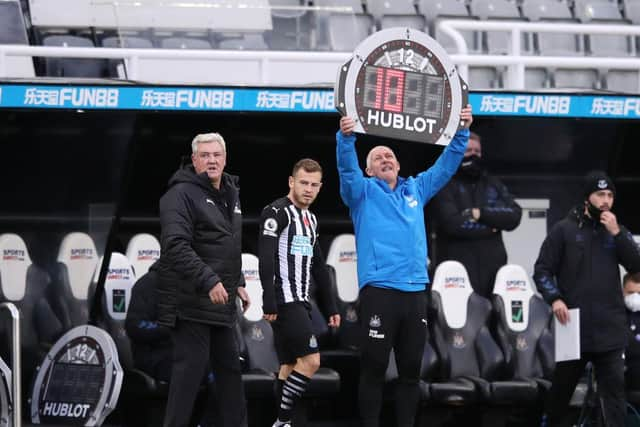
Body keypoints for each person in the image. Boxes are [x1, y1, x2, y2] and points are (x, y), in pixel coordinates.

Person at [336, 105, 474, 427]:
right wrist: (346, 140)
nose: (386, 159)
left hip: (415, 293)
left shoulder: (417, 189)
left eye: (390, 156)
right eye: (378, 158)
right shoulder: (362, 193)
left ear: (398, 165)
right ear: (368, 170)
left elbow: (446, 165)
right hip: (380, 291)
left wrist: (462, 130)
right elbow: (346, 171)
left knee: (412, 370)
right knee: (374, 367)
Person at [155, 132, 250, 427]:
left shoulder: (230, 190)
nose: (212, 160)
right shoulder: (179, 195)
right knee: (189, 376)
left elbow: (228, 244)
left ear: (225, 158)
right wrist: (209, 280)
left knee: (230, 373)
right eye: (205, 155)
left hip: (220, 302)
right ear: (194, 160)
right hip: (189, 301)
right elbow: (176, 246)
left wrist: (239, 281)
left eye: (216, 155)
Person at [533, 170, 640, 427]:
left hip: (610, 330)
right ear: (587, 198)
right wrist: (555, 299)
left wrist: (618, 233)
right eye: (600, 194)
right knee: (560, 394)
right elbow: (542, 270)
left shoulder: (616, 232)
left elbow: (636, 266)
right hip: (574, 325)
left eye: (610, 195)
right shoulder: (564, 230)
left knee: (614, 397)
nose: (605, 200)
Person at [258, 158, 341, 427]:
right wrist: (269, 300)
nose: (308, 189)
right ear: (291, 182)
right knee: (312, 360)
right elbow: (266, 258)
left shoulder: (311, 219)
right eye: (303, 183)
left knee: (289, 366)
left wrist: (331, 308)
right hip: (285, 300)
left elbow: (318, 265)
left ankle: (281, 420)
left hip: (302, 301)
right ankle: (283, 421)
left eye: (314, 185)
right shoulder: (276, 212)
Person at [430, 131, 522, 298]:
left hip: (494, 275)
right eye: (468, 151)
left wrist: (480, 213)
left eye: (477, 152)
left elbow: (515, 214)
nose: (474, 155)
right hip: (456, 276)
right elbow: (452, 224)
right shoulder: (444, 185)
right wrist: (492, 226)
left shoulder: (492, 183)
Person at [125, 267, 219, 427]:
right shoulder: (147, 284)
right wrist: (170, 328)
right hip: (154, 355)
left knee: (219, 369)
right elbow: (134, 326)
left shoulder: (192, 284)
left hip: (187, 351)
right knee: (190, 367)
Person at [623, 272, 640, 390]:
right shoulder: (615, 315)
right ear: (622, 291)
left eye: (639, 293)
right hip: (623, 377)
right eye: (630, 293)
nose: (635, 297)